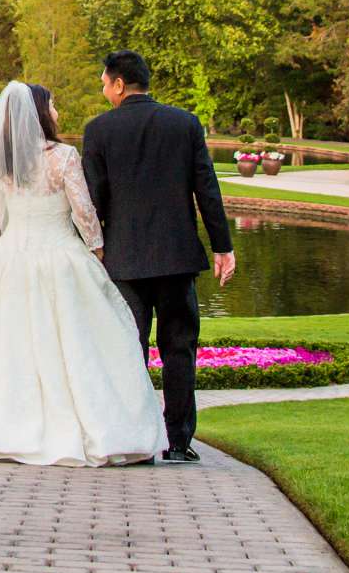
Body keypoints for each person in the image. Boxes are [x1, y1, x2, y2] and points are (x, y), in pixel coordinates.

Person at [0, 81, 165, 467]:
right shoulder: (63, 156)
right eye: (54, 105)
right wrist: (97, 250)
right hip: (60, 255)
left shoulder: (1, 158)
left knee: (5, 345)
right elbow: (83, 211)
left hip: (10, 254)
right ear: (40, 113)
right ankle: (83, 426)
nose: (58, 112)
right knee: (76, 344)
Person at [79, 50, 235, 465]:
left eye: (103, 83)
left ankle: (133, 439)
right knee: (179, 349)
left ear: (118, 84)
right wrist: (223, 246)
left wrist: (88, 249)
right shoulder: (185, 124)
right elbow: (207, 188)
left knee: (128, 350)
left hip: (123, 259)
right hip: (176, 256)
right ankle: (180, 442)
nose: (103, 90)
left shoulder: (99, 131)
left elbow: (93, 200)